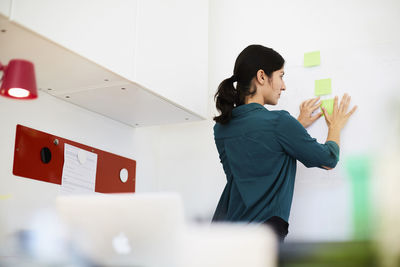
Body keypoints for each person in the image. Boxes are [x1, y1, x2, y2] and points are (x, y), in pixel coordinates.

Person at [212, 44, 357, 242]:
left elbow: (260, 159)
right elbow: (327, 160)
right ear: (262, 76)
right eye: (281, 76)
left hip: (221, 236)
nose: (284, 85)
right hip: (261, 238)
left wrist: (296, 127)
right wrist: (335, 127)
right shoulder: (279, 122)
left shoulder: (221, 129)